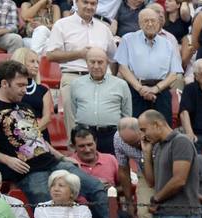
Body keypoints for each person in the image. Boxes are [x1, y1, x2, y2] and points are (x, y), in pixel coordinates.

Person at [0, 59, 110, 218]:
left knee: (96, 188)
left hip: (53, 163)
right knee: (48, 206)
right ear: (4, 83)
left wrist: (62, 156)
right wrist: (7, 160)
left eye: (26, 84)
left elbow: (38, 138)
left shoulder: (26, 106)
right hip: (28, 171)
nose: (25, 89)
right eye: (20, 85)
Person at [42, 0, 114, 135]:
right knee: (75, 127)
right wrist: (79, 54)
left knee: (105, 124)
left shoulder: (104, 29)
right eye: (85, 2)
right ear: (76, 2)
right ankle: (75, 152)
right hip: (73, 76)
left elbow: (113, 57)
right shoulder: (62, 25)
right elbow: (51, 55)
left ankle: (104, 154)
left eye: (93, 4)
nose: (89, 6)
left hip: (102, 79)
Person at [115, 7, 183, 122]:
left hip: (161, 91)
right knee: (137, 129)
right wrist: (140, 89)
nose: (150, 24)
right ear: (139, 23)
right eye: (146, 21)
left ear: (159, 23)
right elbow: (123, 68)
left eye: (153, 20)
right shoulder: (128, 39)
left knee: (163, 130)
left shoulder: (168, 44)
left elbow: (174, 73)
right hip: (136, 90)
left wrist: (155, 89)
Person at [140, 108, 201, 218]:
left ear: (157, 124)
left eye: (144, 130)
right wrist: (147, 153)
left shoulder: (181, 142)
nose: (143, 135)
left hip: (182, 215)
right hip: (163, 213)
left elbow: (179, 180)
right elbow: (151, 182)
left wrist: (156, 199)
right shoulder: (157, 146)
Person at [69, 47, 132, 156]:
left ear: (107, 63)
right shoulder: (76, 84)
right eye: (92, 62)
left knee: (114, 169)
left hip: (112, 136)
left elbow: (126, 115)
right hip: (85, 136)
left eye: (100, 62)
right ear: (86, 63)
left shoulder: (121, 84)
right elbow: (74, 111)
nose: (96, 66)